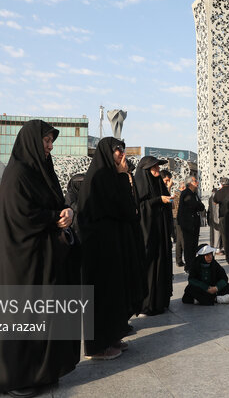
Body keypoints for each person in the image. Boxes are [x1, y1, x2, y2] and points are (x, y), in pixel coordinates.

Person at [0, 119, 79, 397]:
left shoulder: (41, 169)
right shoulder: (17, 173)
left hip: (44, 255)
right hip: (24, 259)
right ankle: (18, 377)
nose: (50, 147)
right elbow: (21, 215)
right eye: (46, 141)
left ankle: (44, 370)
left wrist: (67, 212)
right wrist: (54, 218)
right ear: (31, 142)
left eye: (51, 141)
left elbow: (57, 201)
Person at [77, 137, 146, 360]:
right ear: (107, 152)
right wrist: (124, 176)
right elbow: (123, 209)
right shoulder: (100, 177)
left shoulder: (111, 176)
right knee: (102, 296)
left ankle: (112, 336)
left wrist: (124, 177)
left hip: (112, 247)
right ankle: (98, 347)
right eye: (118, 151)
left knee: (114, 293)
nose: (121, 155)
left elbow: (128, 208)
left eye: (122, 150)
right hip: (100, 250)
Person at [135, 156, 173, 316]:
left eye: (158, 166)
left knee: (161, 264)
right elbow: (141, 206)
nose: (157, 169)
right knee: (149, 268)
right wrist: (158, 200)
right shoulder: (140, 184)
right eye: (154, 167)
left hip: (160, 234)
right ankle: (147, 304)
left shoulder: (159, 184)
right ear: (146, 169)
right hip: (148, 234)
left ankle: (160, 301)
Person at [177, 175, 205, 272]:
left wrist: (199, 205)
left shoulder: (195, 194)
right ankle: (188, 266)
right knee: (189, 246)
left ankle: (192, 264)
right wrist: (198, 205)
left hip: (194, 224)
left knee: (193, 245)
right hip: (188, 224)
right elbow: (194, 205)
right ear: (190, 183)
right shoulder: (187, 193)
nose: (197, 183)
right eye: (194, 181)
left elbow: (201, 206)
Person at [171, 181, 186, 267]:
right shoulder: (178, 195)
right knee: (181, 238)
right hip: (178, 218)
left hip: (177, 217)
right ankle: (180, 259)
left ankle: (179, 259)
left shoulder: (176, 194)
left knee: (179, 240)